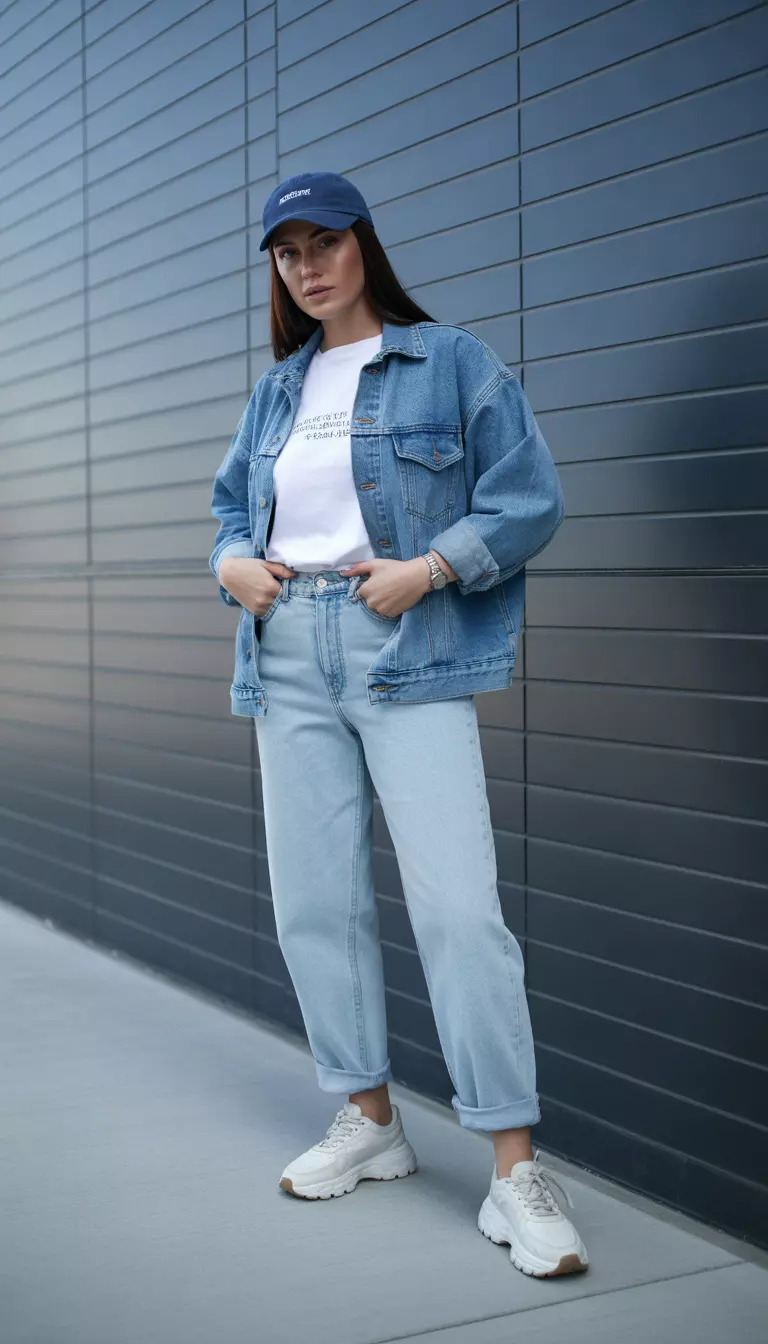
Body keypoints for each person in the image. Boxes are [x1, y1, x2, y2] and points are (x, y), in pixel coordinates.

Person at [209, 171, 588, 1278]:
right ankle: (370, 1120)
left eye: (325, 242)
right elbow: (233, 512)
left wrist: (429, 568)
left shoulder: (453, 361)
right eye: (287, 253)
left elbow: (528, 501)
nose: (308, 266)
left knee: (461, 914)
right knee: (316, 906)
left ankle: (514, 1170)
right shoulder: (276, 393)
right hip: (285, 654)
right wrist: (231, 565)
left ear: (364, 245)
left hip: (404, 648)